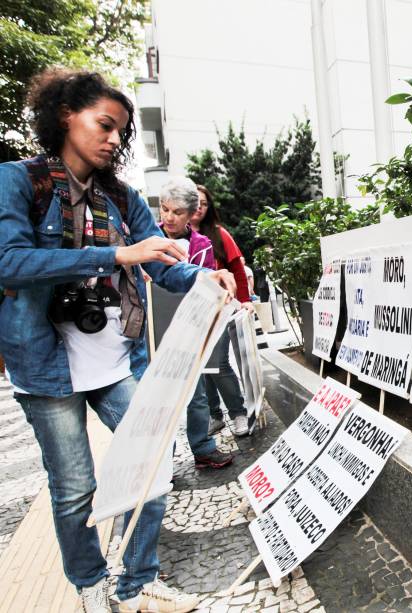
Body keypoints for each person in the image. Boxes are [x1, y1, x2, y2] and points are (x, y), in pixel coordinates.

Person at [0, 69, 236, 612]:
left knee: (149, 473)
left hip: (113, 359)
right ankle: (91, 587)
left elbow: (163, 265)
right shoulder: (19, 181)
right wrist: (113, 255)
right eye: (104, 125)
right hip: (44, 366)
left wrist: (207, 278)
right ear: (66, 115)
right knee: (76, 490)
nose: (112, 139)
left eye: (119, 132)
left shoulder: (121, 196)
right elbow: (10, 260)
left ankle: (136, 585)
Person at [158, 178, 235, 467]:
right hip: (156, 328)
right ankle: (163, 461)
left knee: (196, 393)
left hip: (191, 326)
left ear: (191, 214)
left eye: (177, 212)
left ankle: (202, 448)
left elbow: (207, 284)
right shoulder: (150, 239)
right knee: (160, 399)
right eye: (165, 209)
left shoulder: (201, 244)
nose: (169, 217)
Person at [189, 186, 253, 436]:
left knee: (218, 362)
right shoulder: (171, 234)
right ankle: (214, 415)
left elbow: (237, 268)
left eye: (203, 204)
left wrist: (245, 299)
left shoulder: (219, 234)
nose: (198, 208)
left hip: (219, 308)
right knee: (201, 367)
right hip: (188, 312)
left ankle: (238, 413)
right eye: (194, 203)